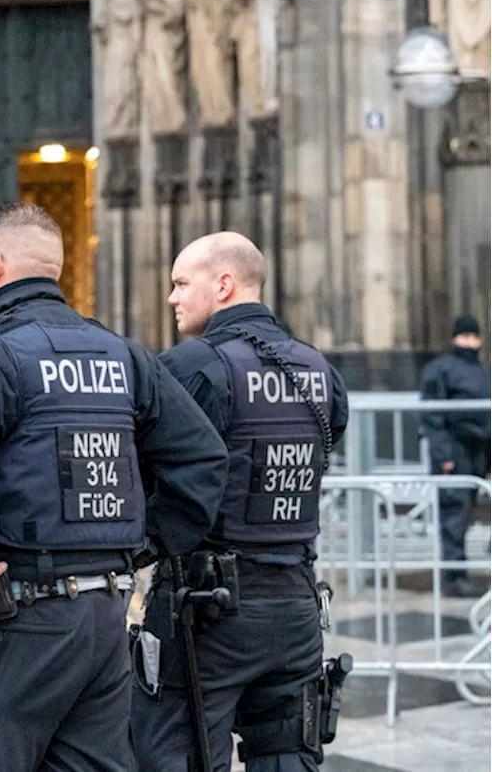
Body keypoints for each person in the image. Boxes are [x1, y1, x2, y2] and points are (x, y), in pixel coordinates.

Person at [0, 203, 228, 772]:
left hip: (17, 617)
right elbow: (201, 458)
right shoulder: (122, 353)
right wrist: (137, 545)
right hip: (103, 618)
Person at [132, 231, 350, 772]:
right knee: (288, 758)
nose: (172, 297)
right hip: (296, 607)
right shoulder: (319, 371)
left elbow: (141, 469)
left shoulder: (191, 367)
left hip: (205, 610)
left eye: (182, 283)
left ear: (224, 284)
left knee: (173, 754)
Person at [419, 313, 492, 598]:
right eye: (465, 336)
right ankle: (454, 574)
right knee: (453, 513)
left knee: (461, 512)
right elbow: (433, 416)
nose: (469, 342)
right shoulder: (441, 370)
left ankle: (458, 571)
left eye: (473, 336)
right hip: (455, 450)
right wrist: (444, 454)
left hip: (480, 452)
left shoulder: (484, 373)